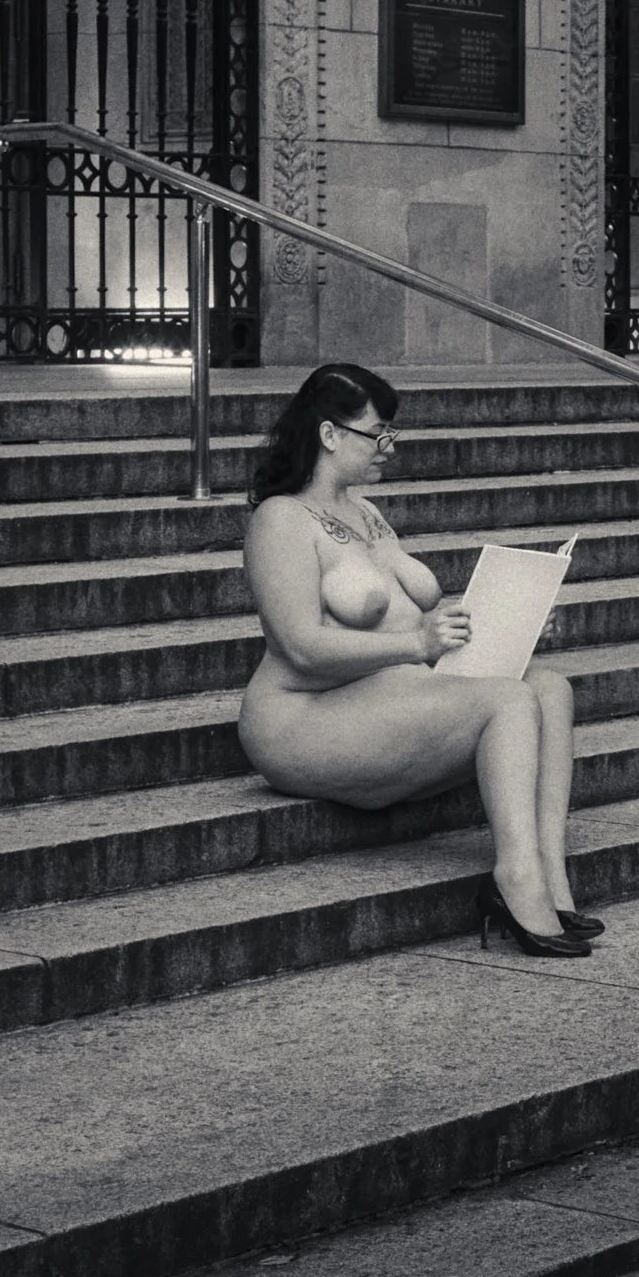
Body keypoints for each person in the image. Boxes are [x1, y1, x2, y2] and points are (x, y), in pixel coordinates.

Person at [236, 362, 600, 957]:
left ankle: (551, 879)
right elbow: (299, 647)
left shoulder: (367, 512)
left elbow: (408, 618)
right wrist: (419, 645)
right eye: (377, 434)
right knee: (509, 699)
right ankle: (515, 880)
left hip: (389, 694)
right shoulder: (280, 520)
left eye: (391, 434)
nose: (389, 446)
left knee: (549, 686)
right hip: (303, 716)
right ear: (330, 435)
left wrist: (510, 618)